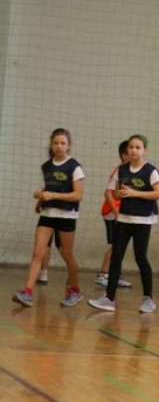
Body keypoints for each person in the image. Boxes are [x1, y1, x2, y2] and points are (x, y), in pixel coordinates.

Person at [89, 135, 159, 313]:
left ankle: (148, 299)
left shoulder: (150, 170)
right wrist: (120, 193)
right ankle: (109, 298)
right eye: (131, 147)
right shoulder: (121, 170)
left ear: (145, 150)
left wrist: (135, 193)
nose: (134, 150)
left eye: (138, 147)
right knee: (116, 257)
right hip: (124, 218)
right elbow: (115, 193)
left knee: (140, 258)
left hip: (142, 220)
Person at [13, 128, 85, 308]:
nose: (59, 146)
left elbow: (78, 195)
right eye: (56, 143)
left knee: (66, 253)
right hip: (47, 214)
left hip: (66, 215)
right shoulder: (47, 166)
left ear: (69, 145)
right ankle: (27, 292)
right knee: (38, 252)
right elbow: (50, 187)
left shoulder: (74, 167)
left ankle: (75, 290)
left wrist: (52, 195)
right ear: (51, 145)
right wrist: (41, 197)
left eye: (63, 143)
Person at [96, 140, 133, 289]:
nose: (135, 153)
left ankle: (115, 275)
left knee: (120, 246)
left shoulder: (130, 172)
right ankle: (103, 274)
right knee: (116, 246)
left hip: (121, 213)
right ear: (124, 155)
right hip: (112, 213)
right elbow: (108, 193)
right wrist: (116, 212)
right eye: (131, 150)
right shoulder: (119, 171)